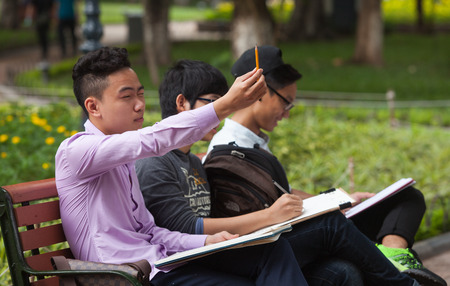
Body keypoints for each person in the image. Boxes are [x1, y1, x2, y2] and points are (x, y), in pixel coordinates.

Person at [136, 59, 421, 286]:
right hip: (196, 259)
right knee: (326, 227)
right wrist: (270, 216)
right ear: (182, 103)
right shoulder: (156, 161)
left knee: (341, 271)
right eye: (213, 102)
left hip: (229, 247)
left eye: (224, 103)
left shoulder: (194, 162)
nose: (221, 112)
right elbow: (184, 227)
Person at [55, 46, 309, 285]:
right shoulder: (77, 151)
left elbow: (150, 232)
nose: (139, 104)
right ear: (93, 106)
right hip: (127, 276)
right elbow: (153, 140)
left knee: (274, 251)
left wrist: (206, 240)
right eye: (127, 96)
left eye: (141, 94)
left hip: (162, 265)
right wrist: (226, 104)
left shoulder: (123, 159)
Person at [206, 45, 446, 286]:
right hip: (278, 238)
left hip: (302, 223)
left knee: (406, 197)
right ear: (259, 91)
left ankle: (393, 255)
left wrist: (338, 200)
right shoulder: (228, 148)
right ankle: (398, 274)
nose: (287, 114)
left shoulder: (255, 140)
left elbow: (283, 192)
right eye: (286, 103)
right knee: (342, 260)